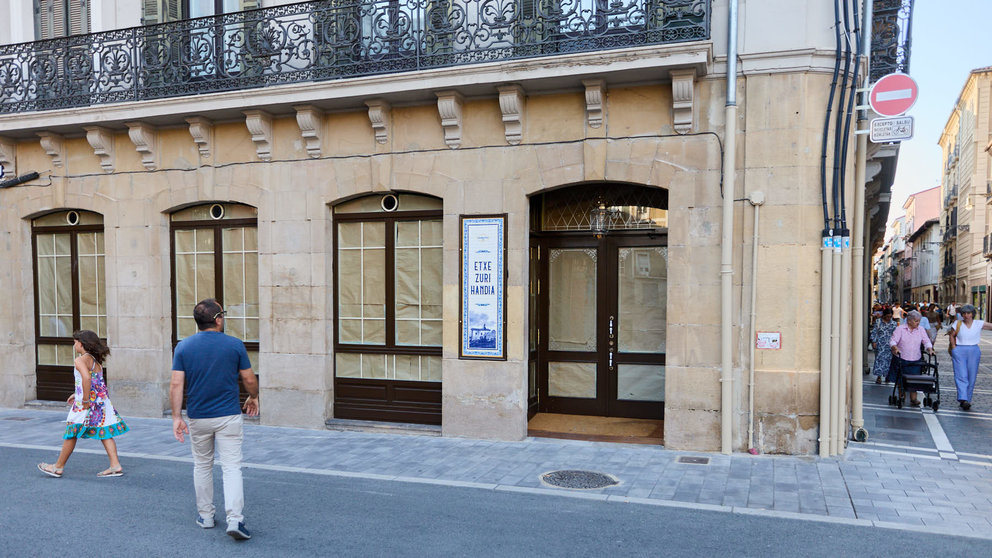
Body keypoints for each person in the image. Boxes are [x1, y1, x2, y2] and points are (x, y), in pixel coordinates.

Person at [171, 298, 260, 540]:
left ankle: (206, 516)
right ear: (218, 319)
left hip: (199, 416)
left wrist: (177, 417)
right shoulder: (234, 345)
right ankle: (235, 519)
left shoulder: (183, 347)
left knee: (202, 465)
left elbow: (176, 384)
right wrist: (253, 396)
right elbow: (249, 379)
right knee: (231, 467)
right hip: (228, 415)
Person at [37, 330, 129, 478]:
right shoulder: (94, 359)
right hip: (100, 401)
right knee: (104, 432)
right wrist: (78, 393)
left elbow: (86, 378)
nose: (74, 345)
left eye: (75, 342)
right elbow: (95, 381)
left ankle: (58, 467)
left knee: (71, 431)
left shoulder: (80, 360)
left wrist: (84, 399)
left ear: (82, 343)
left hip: (87, 403)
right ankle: (115, 465)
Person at [948, 304, 992, 411]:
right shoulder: (957, 323)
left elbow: (990, 326)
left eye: (969, 313)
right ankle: (963, 398)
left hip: (974, 350)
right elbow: (952, 335)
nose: (966, 315)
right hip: (960, 350)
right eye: (964, 313)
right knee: (961, 374)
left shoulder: (978, 323)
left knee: (971, 375)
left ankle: (967, 399)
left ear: (972, 314)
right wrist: (954, 348)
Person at [889, 310, 935, 406]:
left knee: (914, 379)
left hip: (915, 358)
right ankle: (902, 396)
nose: (918, 323)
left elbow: (926, 341)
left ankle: (913, 399)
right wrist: (895, 347)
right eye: (916, 321)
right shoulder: (900, 329)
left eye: (918, 321)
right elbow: (893, 341)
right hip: (902, 357)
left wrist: (929, 348)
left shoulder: (921, 329)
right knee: (901, 379)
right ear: (909, 320)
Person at [870, 308, 897, 384]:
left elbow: (896, 335)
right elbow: (874, 332)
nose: (889, 318)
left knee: (889, 360)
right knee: (879, 360)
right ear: (884, 315)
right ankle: (879, 376)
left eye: (890, 316)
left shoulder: (893, 323)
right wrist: (874, 341)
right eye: (887, 316)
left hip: (889, 344)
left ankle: (887, 375)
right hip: (880, 343)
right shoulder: (878, 322)